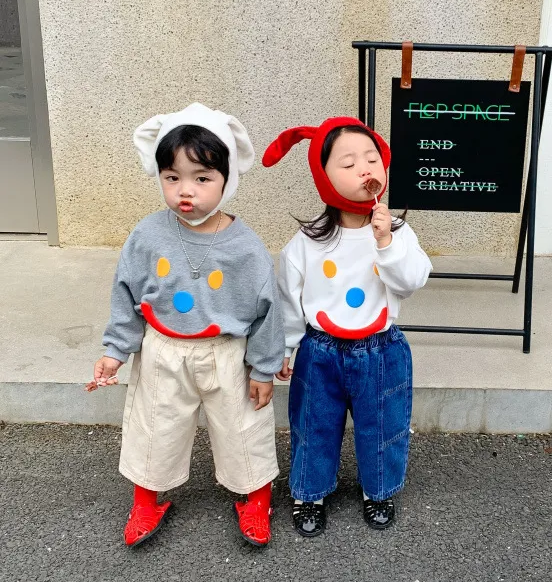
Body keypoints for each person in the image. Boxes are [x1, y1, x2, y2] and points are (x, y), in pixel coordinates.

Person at [90, 103, 284, 547]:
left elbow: (269, 311)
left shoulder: (247, 247)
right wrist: (115, 350)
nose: (186, 190)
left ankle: (255, 497)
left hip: (226, 352)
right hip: (162, 349)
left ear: (227, 180)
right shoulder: (147, 235)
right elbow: (126, 294)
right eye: (172, 177)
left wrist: (264, 369)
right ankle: (146, 498)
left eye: (202, 177)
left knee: (243, 427)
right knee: (153, 425)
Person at [263, 117, 432, 537]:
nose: (364, 169)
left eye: (372, 158)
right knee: (314, 423)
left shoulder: (397, 233)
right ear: (324, 177)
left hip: (382, 348)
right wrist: (286, 348)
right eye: (349, 162)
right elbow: (290, 299)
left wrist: (386, 244)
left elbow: (412, 281)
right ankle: (309, 492)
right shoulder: (306, 243)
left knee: (383, 424)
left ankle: (379, 489)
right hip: (320, 351)